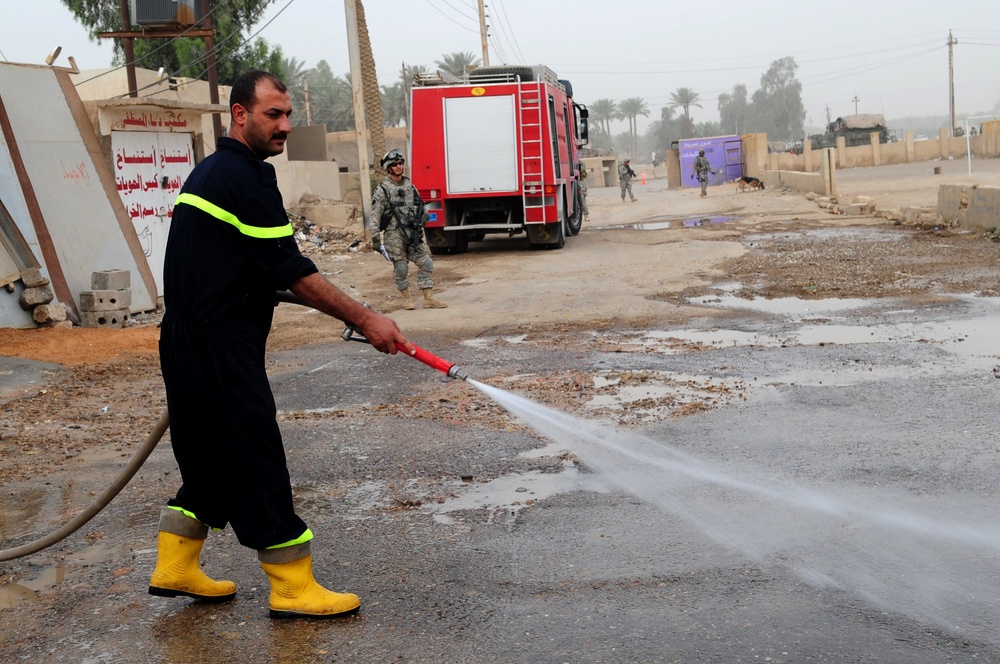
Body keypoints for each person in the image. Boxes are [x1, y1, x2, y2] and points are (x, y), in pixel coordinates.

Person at [150, 71, 413, 620]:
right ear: (239, 115)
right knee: (253, 454)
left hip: (185, 338)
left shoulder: (213, 171)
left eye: (288, 114)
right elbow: (289, 268)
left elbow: (250, 263)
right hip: (219, 344)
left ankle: (175, 565)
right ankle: (292, 585)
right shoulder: (245, 176)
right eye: (273, 114)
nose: (285, 126)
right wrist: (365, 318)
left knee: (208, 455)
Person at [370, 149, 447, 310]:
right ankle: (407, 298)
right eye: (395, 164)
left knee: (426, 262)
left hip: (412, 232)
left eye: (401, 163)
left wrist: (422, 221)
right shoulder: (383, 190)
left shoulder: (409, 185)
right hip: (394, 234)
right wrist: (376, 238)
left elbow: (421, 206)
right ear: (389, 168)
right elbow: (375, 214)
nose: (399, 167)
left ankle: (428, 297)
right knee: (401, 267)